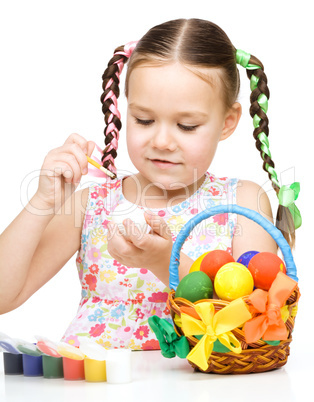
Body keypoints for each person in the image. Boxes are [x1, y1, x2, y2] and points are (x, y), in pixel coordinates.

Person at [0, 18, 300, 350]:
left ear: (227, 122)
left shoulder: (243, 201)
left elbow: (253, 322)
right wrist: (42, 203)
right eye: (144, 120)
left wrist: (164, 261)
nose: (162, 140)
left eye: (186, 126)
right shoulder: (92, 204)